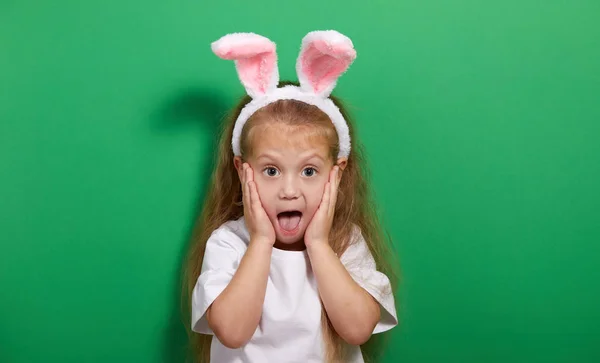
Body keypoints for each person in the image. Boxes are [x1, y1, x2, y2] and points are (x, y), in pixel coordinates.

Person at [183, 30, 400, 363]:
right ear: (243, 171)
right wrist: (260, 241)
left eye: (309, 171)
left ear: (336, 173)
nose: (288, 190)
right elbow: (232, 331)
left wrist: (319, 245)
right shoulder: (229, 243)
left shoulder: (346, 242)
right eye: (271, 171)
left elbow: (358, 330)